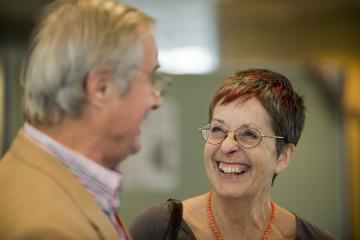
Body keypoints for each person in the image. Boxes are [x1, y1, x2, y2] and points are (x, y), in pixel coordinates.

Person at [0, 0, 167, 239]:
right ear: (101, 88)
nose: (156, 100)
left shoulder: (34, 172)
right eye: (150, 79)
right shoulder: (47, 229)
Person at [129, 69, 338, 239]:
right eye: (218, 130)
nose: (227, 146)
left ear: (283, 156)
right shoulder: (158, 229)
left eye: (249, 134)